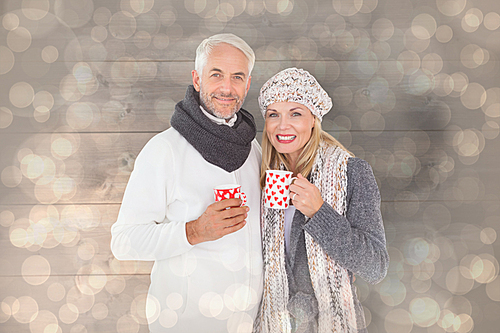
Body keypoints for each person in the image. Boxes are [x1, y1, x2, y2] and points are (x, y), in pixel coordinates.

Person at [110, 34, 263, 333]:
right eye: (216, 74)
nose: (226, 88)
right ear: (196, 79)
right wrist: (192, 231)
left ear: (247, 84)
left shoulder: (253, 149)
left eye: (237, 77)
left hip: (248, 323)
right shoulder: (165, 150)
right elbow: (123, 242)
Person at [254, 68, 389, 333]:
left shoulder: (351, 172)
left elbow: (376, 266)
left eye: (296, 113)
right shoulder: (262, 174)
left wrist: (319, 212)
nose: (283, 125)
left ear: (313, 119)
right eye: (274, 115)